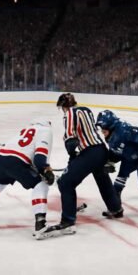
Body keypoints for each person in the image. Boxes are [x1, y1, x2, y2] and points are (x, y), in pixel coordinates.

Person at [43, 93, 122, 238]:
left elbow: (70, 138)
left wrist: (72, 156)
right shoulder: (86, 110)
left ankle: (68, 220)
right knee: (102, 179)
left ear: (64, 106)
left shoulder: (69, 114)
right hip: (102, 150)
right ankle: (116, 208)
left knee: (65, 183)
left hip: (90, 153)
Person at [0, 119, 55, 239]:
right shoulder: (46, 130)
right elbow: (39, 158)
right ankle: (40, 223)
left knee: (0, 180)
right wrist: (45, 170)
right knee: (41, 184)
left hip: (0, 158)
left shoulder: (26, 129)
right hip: (17, 161)